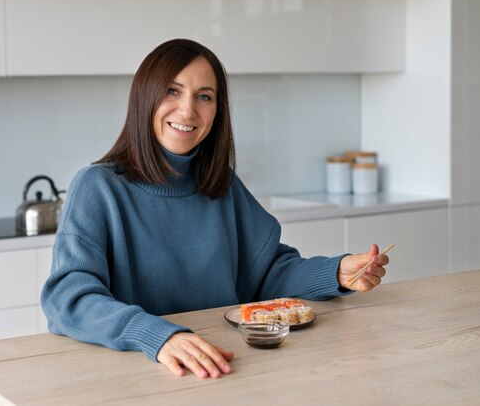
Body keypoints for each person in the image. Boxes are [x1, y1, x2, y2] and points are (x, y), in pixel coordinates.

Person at [41, 38, 389, 379]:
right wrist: (157, 336)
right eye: (172, 91)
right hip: (140, 372)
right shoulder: (98, 187)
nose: (188, 110)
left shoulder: (221, 184)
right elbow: (68, 298)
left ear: (217, 111)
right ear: (144, 98)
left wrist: (337, 272)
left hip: (226, 366)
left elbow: (265, 275)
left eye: (204, 96)